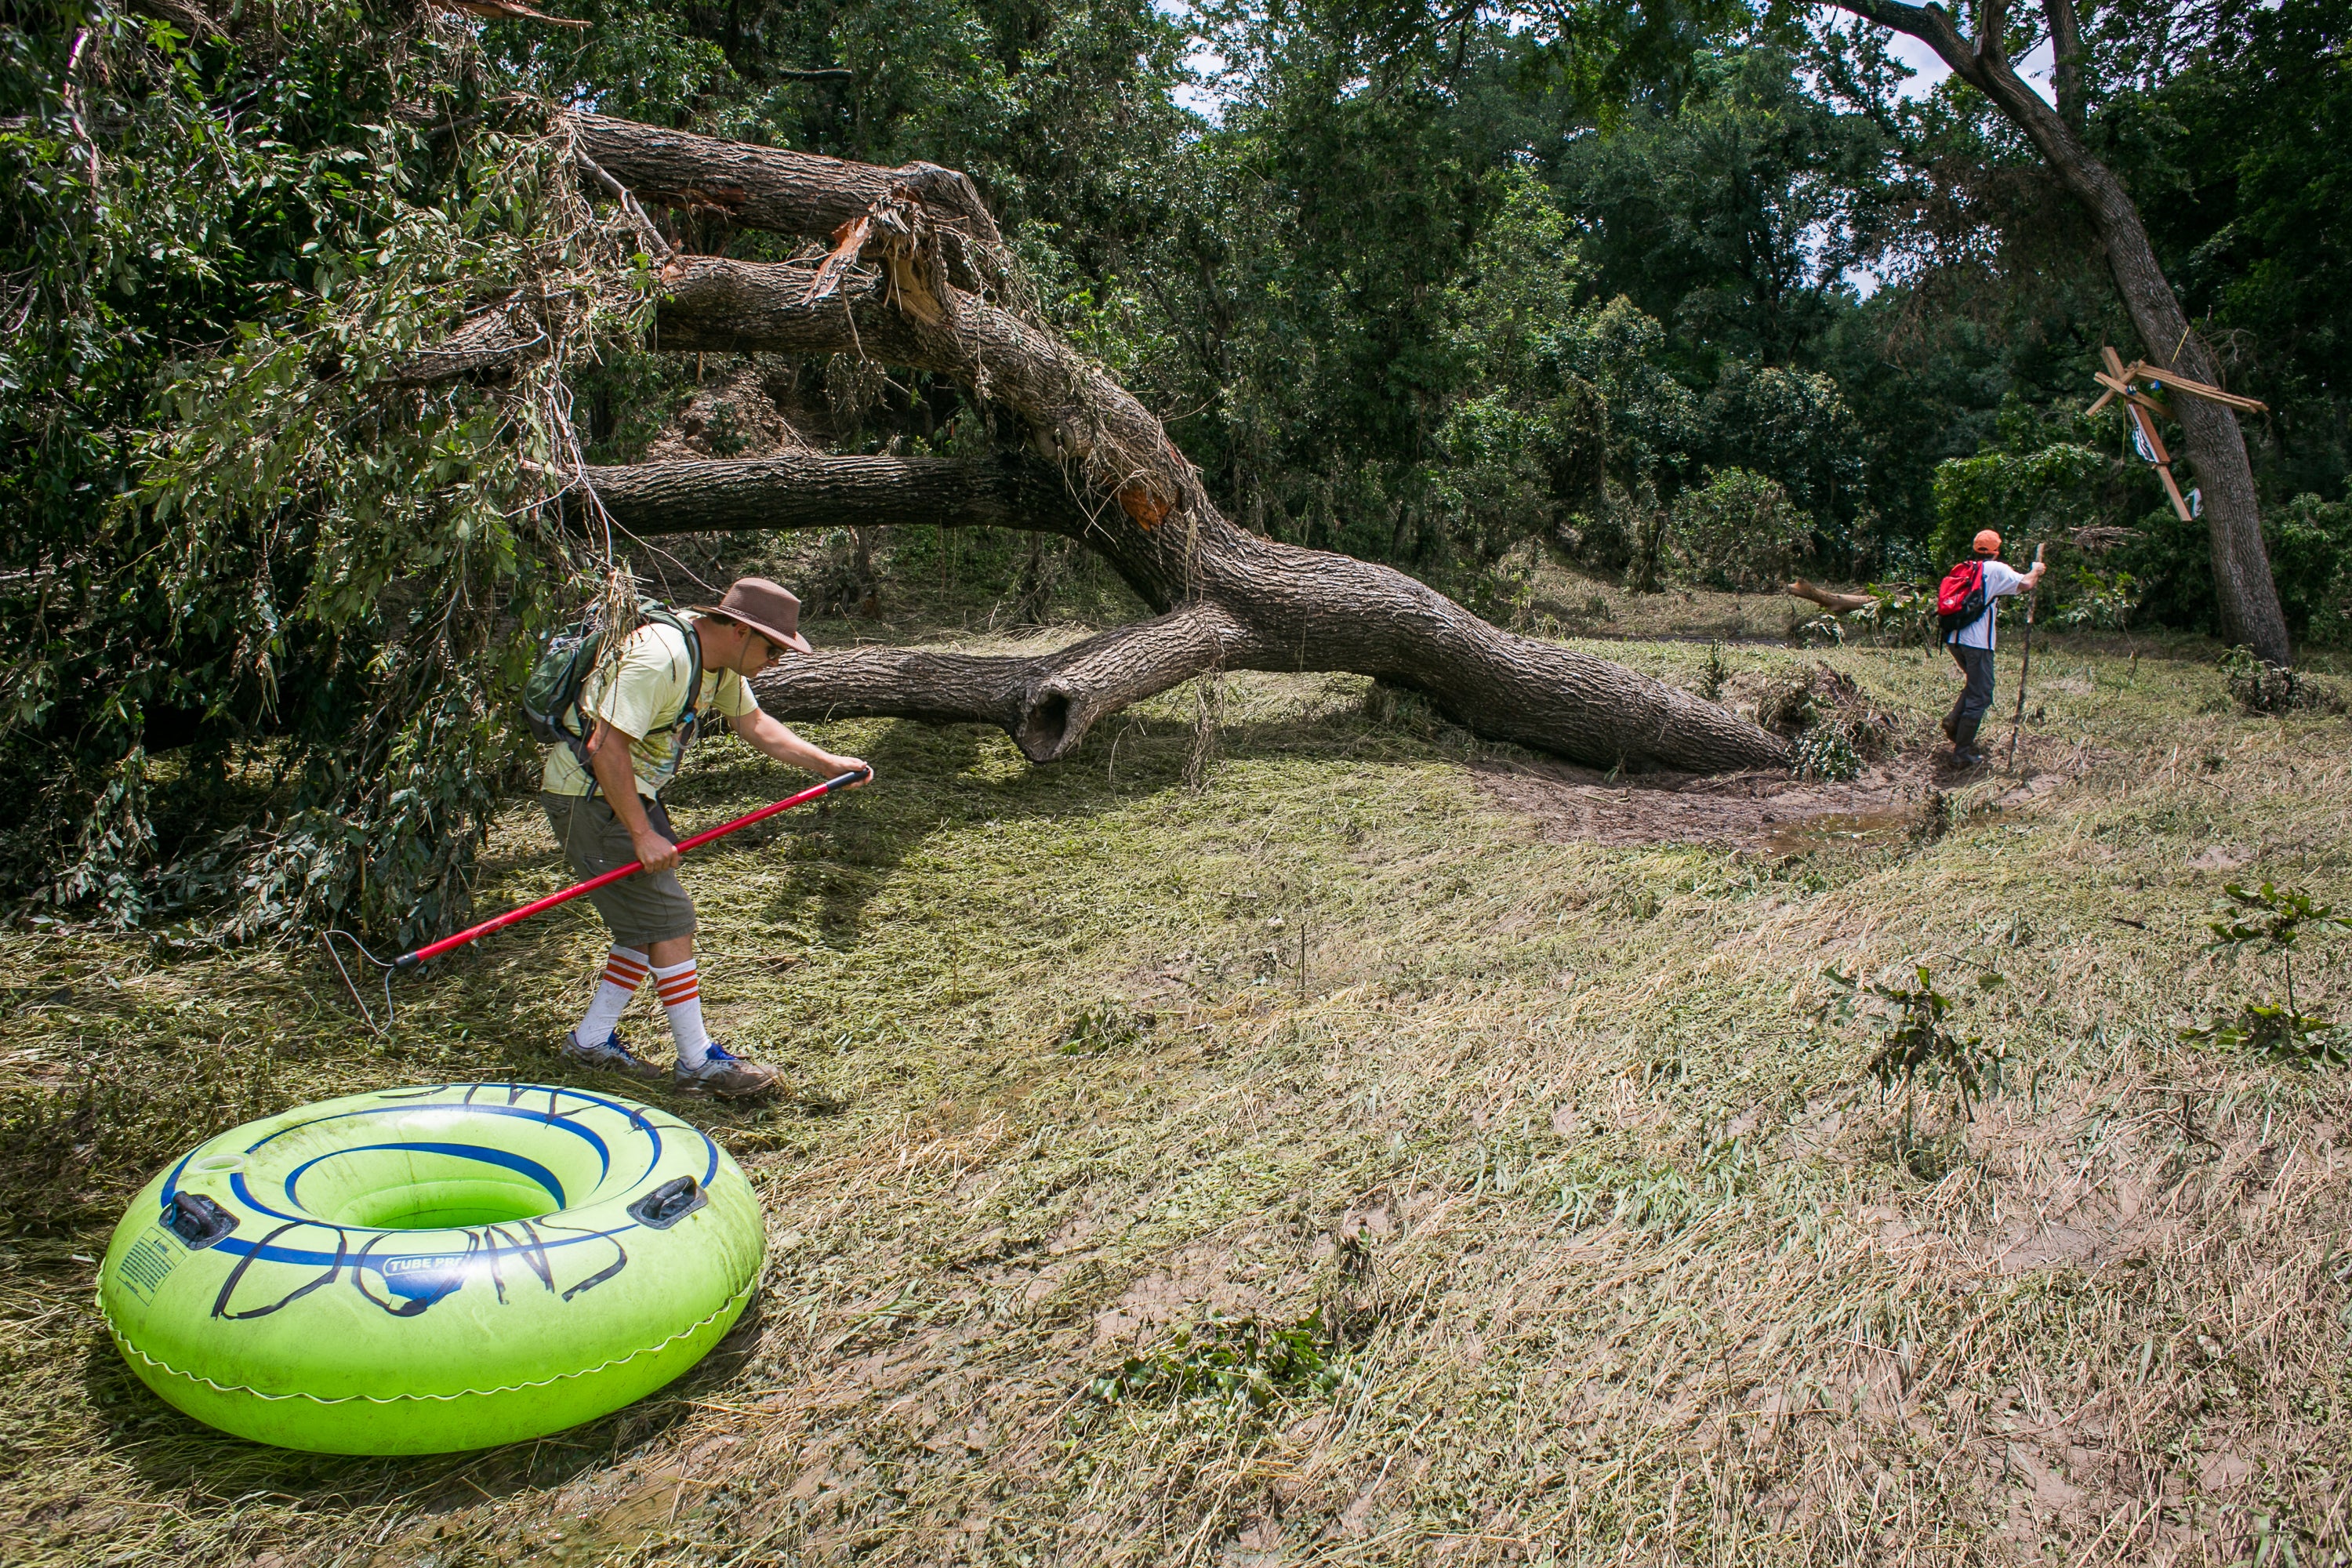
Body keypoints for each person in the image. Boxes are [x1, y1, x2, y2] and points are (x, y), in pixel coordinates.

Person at [541, 577, 869, 1097]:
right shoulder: (660, 657)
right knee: (670, 921)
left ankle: (590, 1042)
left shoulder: (714, 666)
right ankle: (698, 1062)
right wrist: (641, 832)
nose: (775, 662)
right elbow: (604, 745)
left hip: (628, 795)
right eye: (772, 649)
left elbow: (756, 725)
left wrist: (830, 763)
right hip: (589, 796)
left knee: (642, 925)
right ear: (739, 630)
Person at [1941, 530, 2045, 765]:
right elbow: (2026, 583)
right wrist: (2036, 570)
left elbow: (2014, 588)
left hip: (1955, 639)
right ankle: (1962, 751)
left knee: (1977, 683)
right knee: (1982, 693)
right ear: (1996, 551)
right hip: (1978, 644)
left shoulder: (1966, 568)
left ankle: (1953, 721)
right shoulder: (1996, 569)